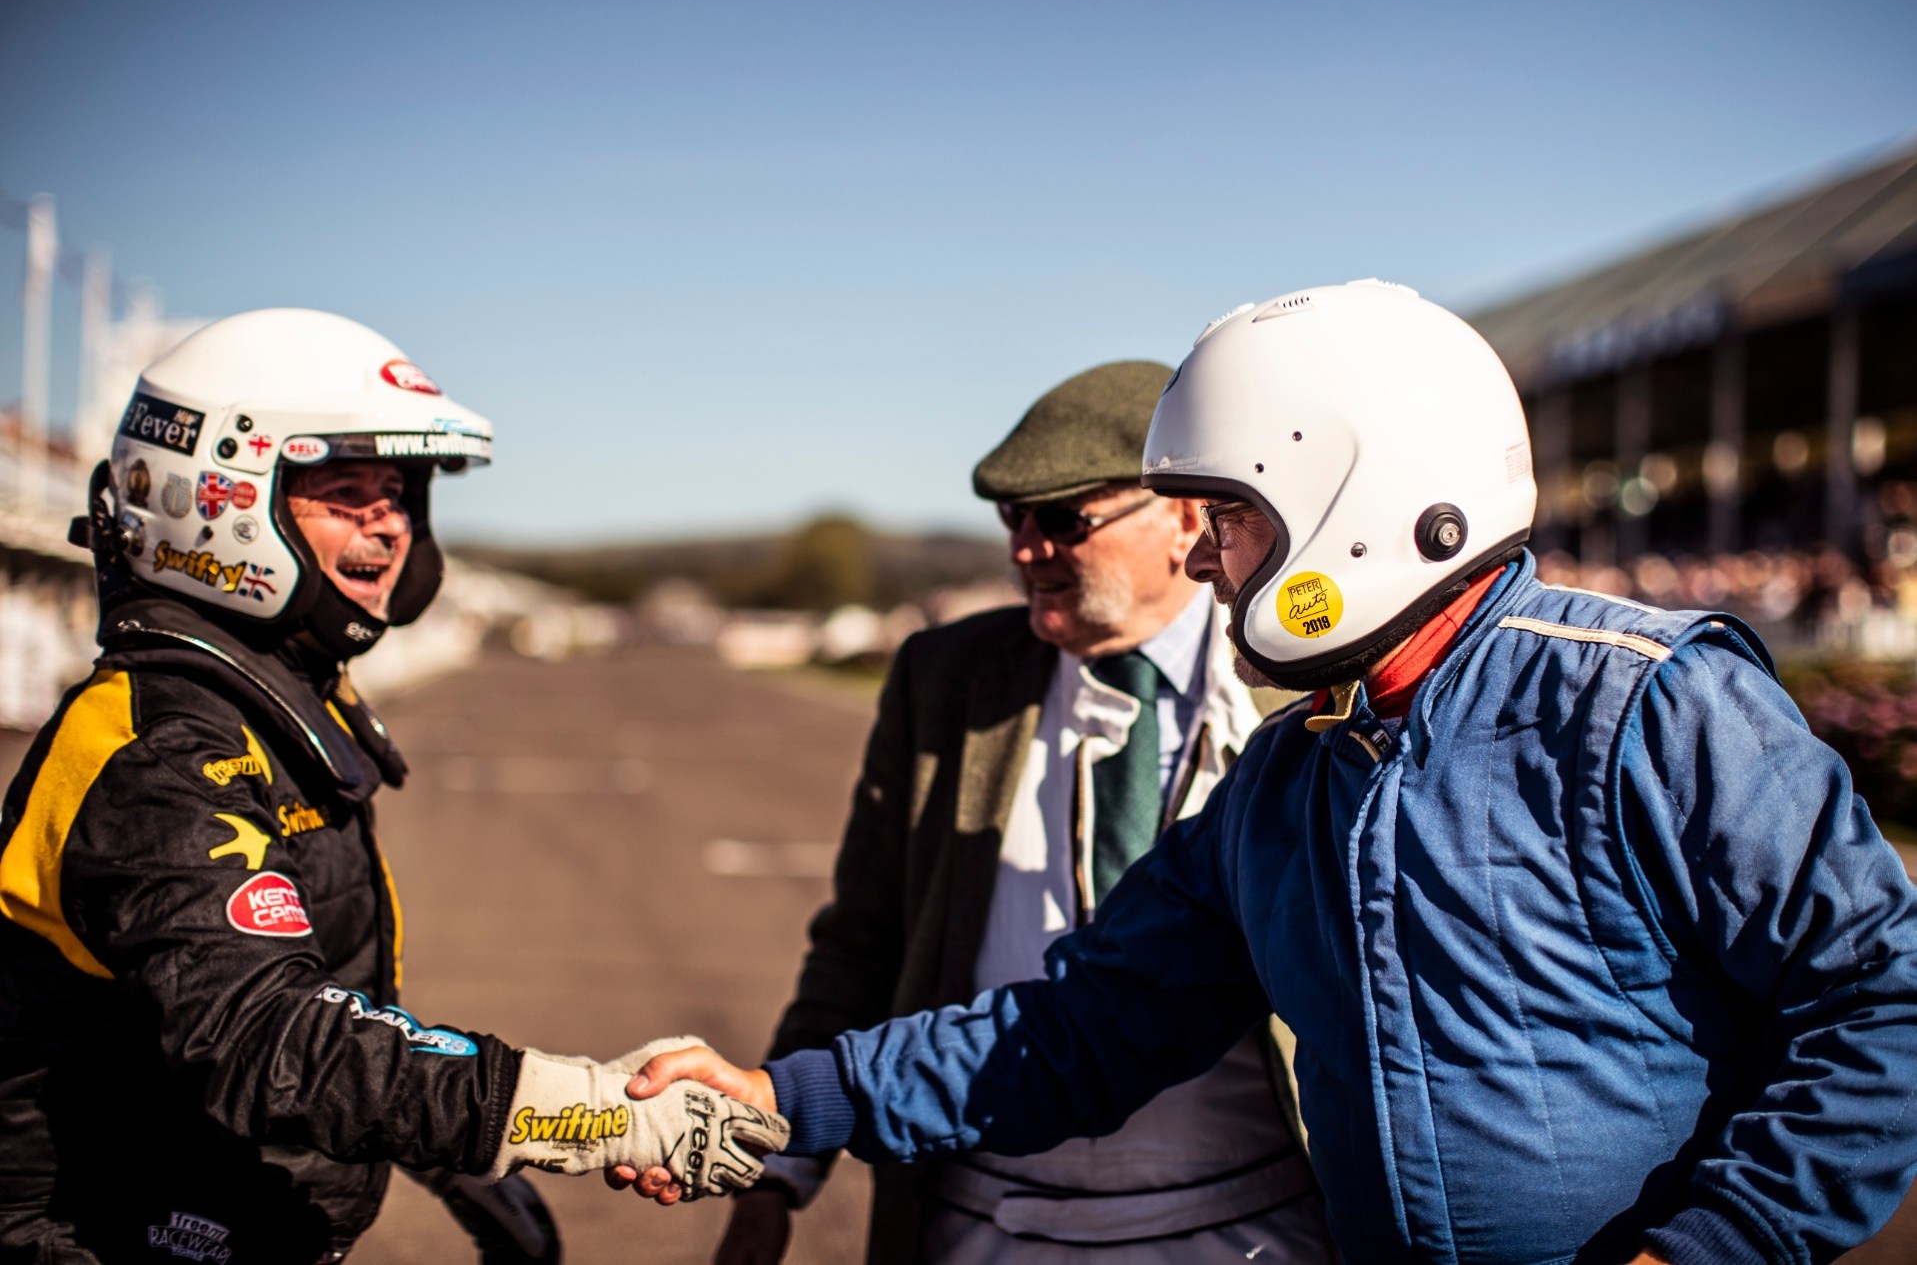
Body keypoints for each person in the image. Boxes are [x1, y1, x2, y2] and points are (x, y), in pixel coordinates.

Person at [623, 281, 1917, 1264]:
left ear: (1358, 494)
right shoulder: (1287, 782)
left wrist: (1710, 1250)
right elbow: (1076, 1027)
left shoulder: (1648, 698)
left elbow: (1879, 1000)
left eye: (1226, 515)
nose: (1201, 559)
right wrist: (790, 1096)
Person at [0, 309, 785, 1265]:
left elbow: (329, 999)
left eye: (399, 495)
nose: (388, 526)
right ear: (224, 501)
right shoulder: (158, 743)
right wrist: (578, 1115)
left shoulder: (273, 698)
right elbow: (264, 1037)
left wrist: (467, 1161)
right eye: (343, 493)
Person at [713, 362, 1334, 1265]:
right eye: (1012, 520)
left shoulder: (1307, 685)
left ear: (1185, 518)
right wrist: (775, 1169)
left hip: (1251, 1225)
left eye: (1061, 520)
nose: (1024, 551)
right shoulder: (945, 680)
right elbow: (862, 938)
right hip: (981, 1222)